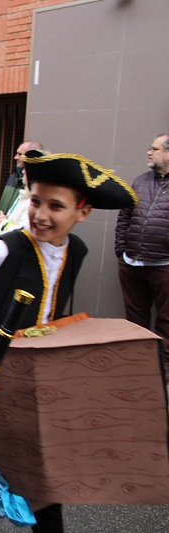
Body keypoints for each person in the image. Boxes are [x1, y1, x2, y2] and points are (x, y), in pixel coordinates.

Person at [0, 150, 138, 531]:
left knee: (40, 478)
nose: (40, 214)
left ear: (81, 212)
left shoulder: (78, 251)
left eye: (56, 206)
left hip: (29, 386)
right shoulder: (1, 250)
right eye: (35, 201)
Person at [115, 133, 169, 376]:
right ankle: (134, 362)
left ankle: (161, 367)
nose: (149, 152)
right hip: (132, 261)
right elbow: (124, 216)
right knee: (134, 316)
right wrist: (121, 250)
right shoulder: (140, 181)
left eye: (155, 148)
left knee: (166, 320)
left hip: (164, 265)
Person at [0, 140, 43, 235]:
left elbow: (25, 231)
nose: (15, 157)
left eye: (20, 154)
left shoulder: (35, 199)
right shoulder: (13, 178)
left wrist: (3, 224)